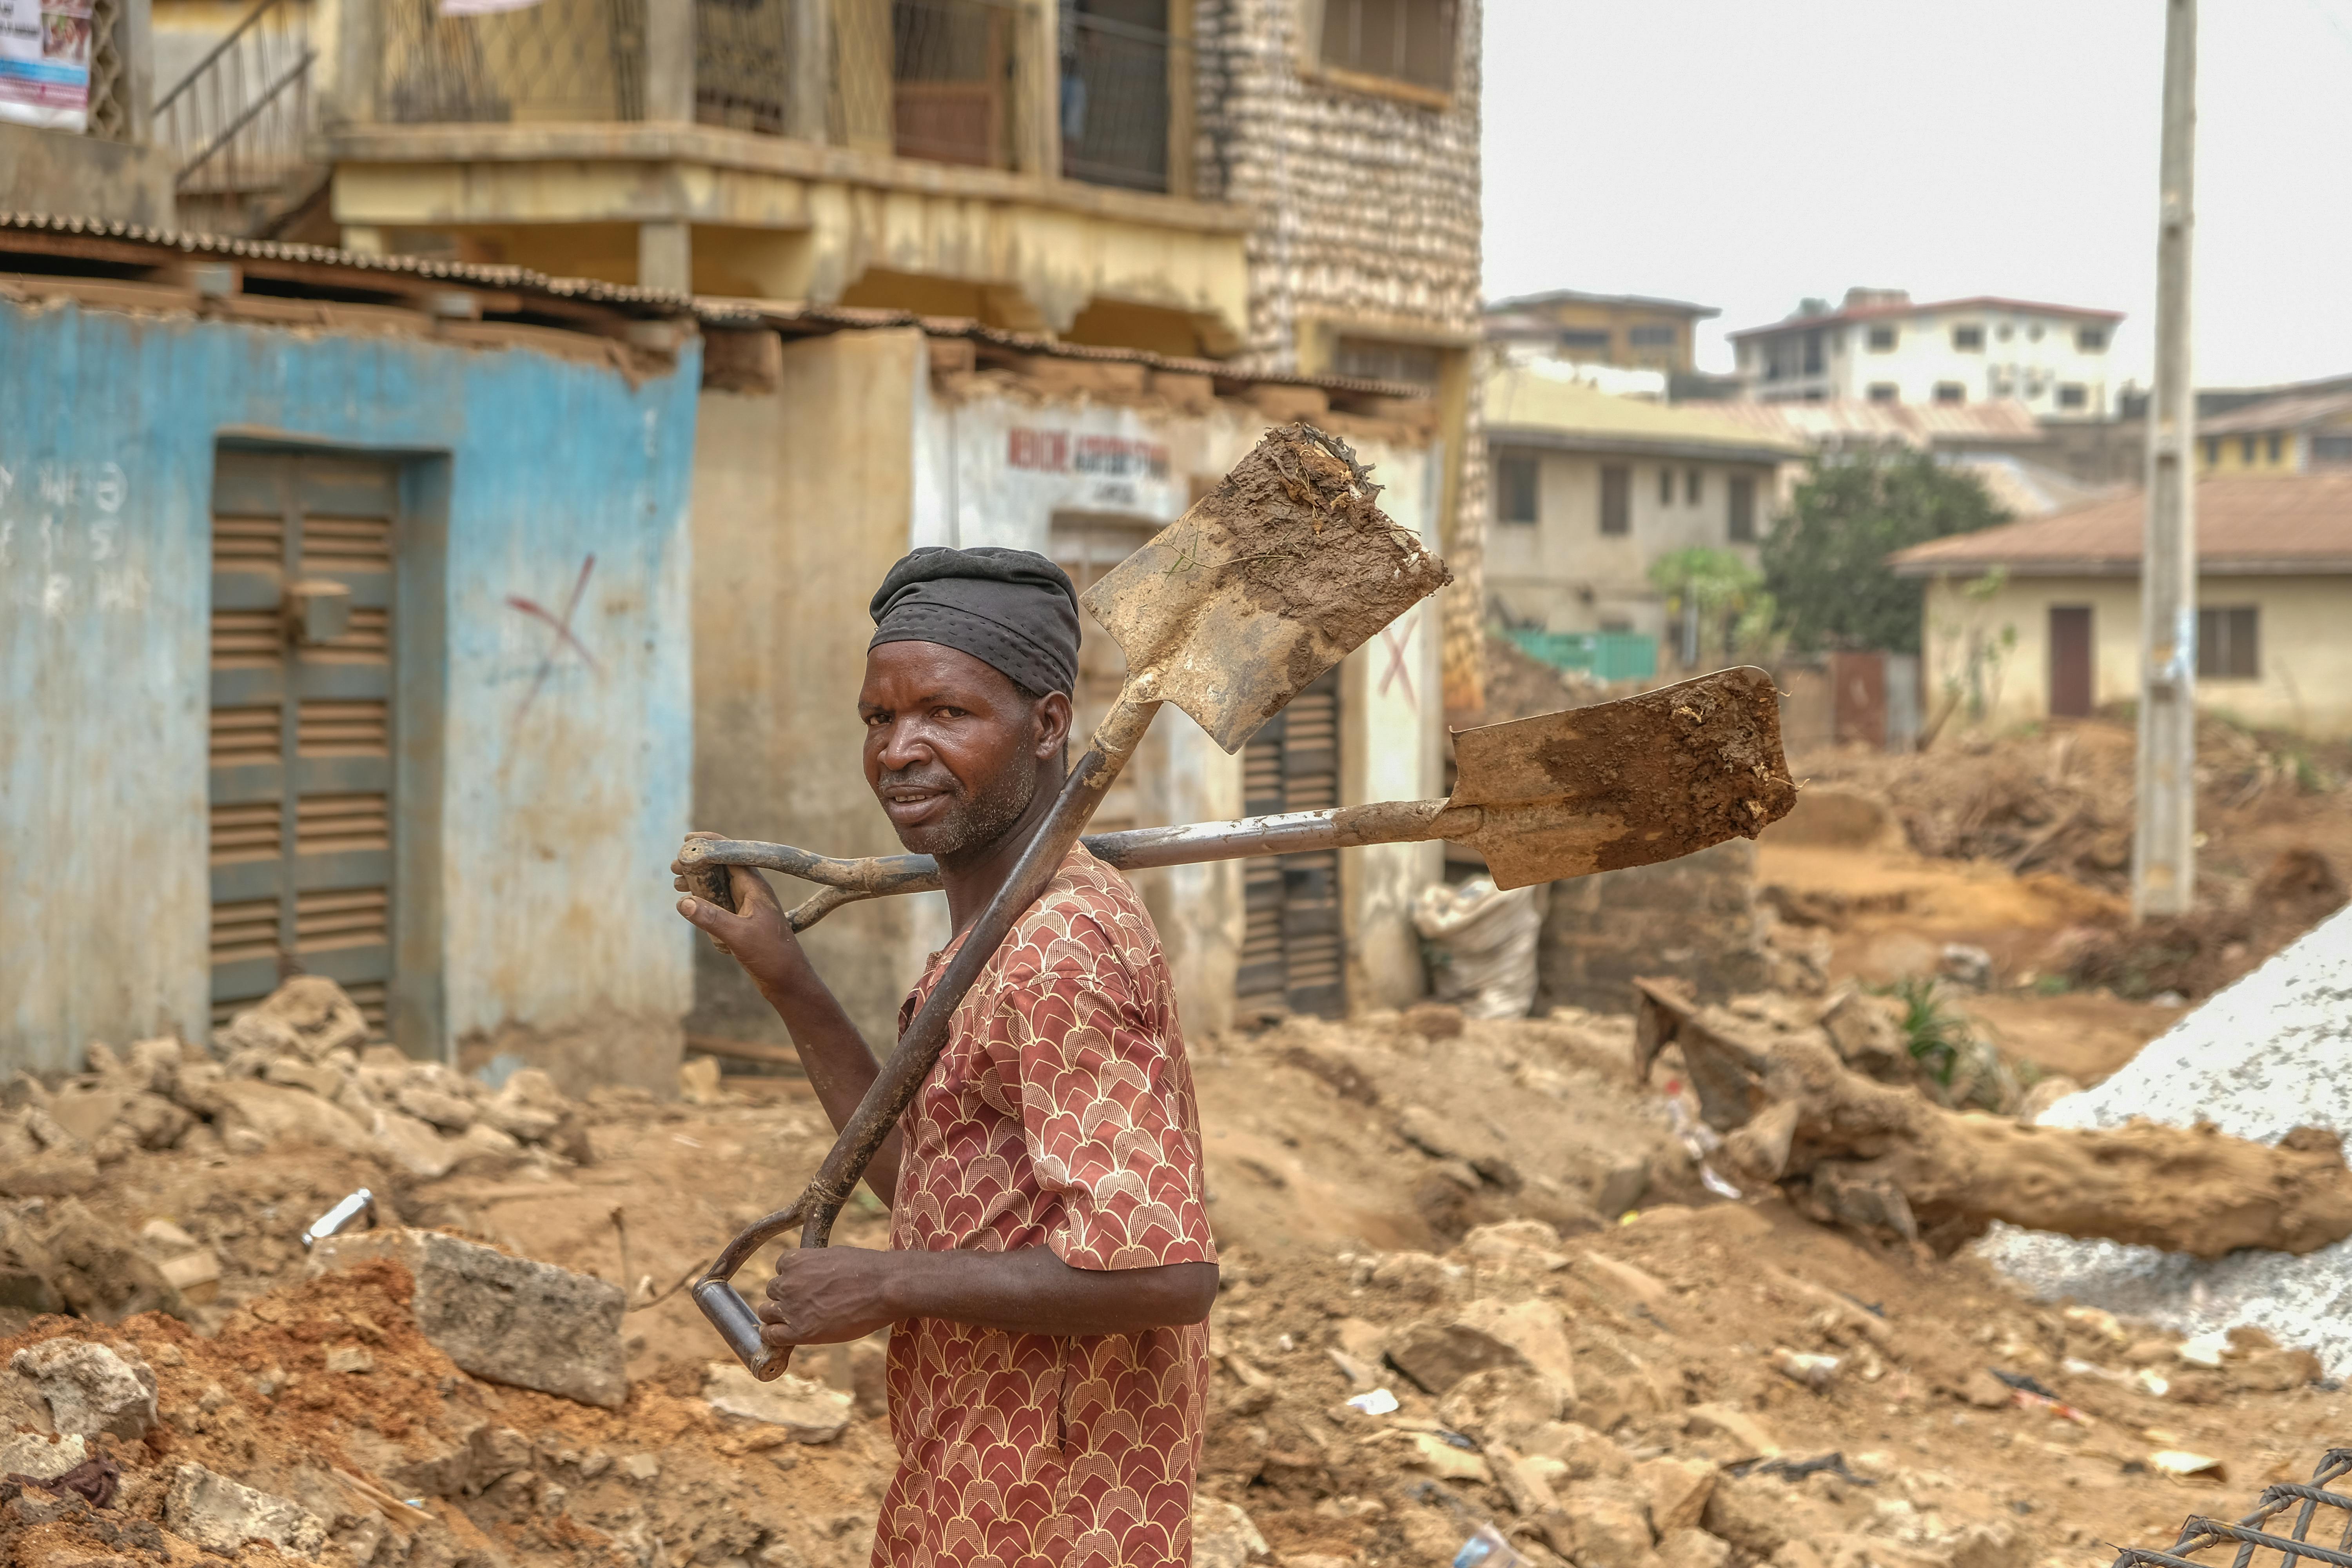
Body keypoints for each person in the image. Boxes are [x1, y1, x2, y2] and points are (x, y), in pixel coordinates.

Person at [673, 547, 1219, 1568]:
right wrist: (786, 979)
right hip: (968, 1477)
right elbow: (926, 1182)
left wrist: (889, 1284)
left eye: (946, 714)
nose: (899, 749)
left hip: (1062, 1517)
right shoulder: (992, 941)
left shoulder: (1059, 954)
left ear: (1049, 726)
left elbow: (1166, 1274)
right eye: (880, 719)